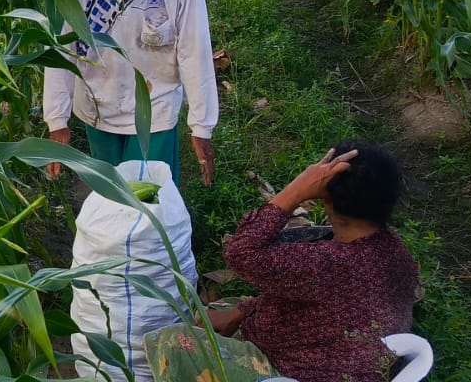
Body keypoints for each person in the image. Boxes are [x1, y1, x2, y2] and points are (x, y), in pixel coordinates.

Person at [146, 142, 421, 382]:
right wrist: (243, 310)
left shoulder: (330, 263)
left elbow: (240, 253)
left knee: (173, 341)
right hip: (349, 353)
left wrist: (296, 190)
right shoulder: (393, 250)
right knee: (222, 308)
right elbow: (313, 295)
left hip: (304, 373)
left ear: (326, 194)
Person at [42, 0, 220, 186]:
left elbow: (193, 46)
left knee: (151, 194)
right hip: (96, 101)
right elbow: (61, 46)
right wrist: (57, 120)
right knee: (111, 193)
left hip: (155, 107)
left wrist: (201, 125)